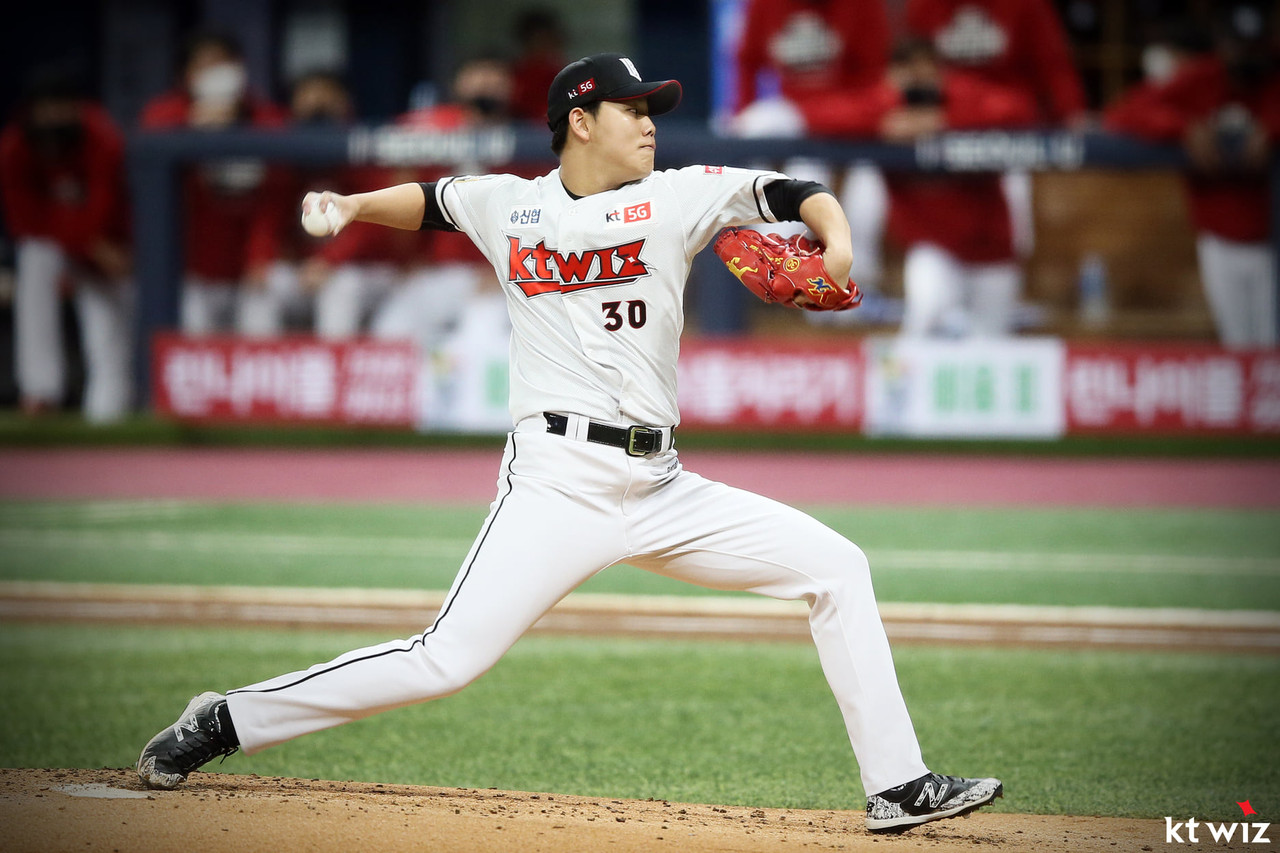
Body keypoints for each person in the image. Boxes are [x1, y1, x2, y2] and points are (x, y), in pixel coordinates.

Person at [136, 52, 1003, 834]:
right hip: (554, 484)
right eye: (633, 108)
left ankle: (898, 785)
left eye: (652, 109)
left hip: (662, 485)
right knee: (443, 660)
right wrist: (354, 204)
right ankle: (227, 718)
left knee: (837, 566)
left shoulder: (679, 193)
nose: (650, 123)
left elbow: (792, 190)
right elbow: (432, 202)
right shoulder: (511, 203)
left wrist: (838, 243)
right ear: (581, 122)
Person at [812, 38, 1038, 337]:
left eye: (926, 74)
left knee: (991, 342)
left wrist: (943, 120)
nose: (918, 84)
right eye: (909, 75)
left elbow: (1020, 110)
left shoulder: (963, 95)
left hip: (991, 249)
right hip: (934, 248)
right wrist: (885, 115)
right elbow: (818, 116)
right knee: (925, 315)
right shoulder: (885, 107)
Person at [1104, 2, 1279, 349]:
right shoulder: (1204, 77)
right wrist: (1183, 127)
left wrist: (1273, 128)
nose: (1247, 55)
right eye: (1238, 45)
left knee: (1272, 349)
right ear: (1222, 42)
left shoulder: (1273, 77)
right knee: (1240, 346)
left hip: (1273, 235)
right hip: (1222, 236)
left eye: (1255, 45)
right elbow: (1123, 112)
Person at [730, 0, 892, 299]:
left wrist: (820, 116)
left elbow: (877, 85)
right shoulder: (765, 6)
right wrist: (745, 109)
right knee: (752, 128)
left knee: (865, 199)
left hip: (852, 128)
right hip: (796, 124)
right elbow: (747, 61)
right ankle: (767, 266)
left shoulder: (862, 7)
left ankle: (856, 291)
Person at [905, 0, 1088, 261]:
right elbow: (908, 70)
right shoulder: (925, 6)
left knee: (1014, 220)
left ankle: (1010, 266)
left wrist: (1070, 109)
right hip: (939, 130)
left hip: (1008, 131)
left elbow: (1053, 65)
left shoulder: (1025, 5)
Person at [0, 63, 133, 422]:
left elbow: (107, 203)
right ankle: (40, 390)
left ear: (77, 107)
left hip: (110, 246)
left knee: (106, 323)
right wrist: (84, 242)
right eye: (46, 109)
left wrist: (91, 245)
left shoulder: (101, 135)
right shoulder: (15, 146)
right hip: (68, 244)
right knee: (34, 259)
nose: (54, 117)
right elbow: (25, 219)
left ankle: (108, 407)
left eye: (62, 107)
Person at [138, 30, 292, 337]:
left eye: (221, 63)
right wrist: (191, 128)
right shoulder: (167, 115)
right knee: (193, 346)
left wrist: (259, 255)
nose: (215, 73)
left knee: (258, 336)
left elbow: (276, 197)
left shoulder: (265, 119)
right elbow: (145, 153)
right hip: (190, 269)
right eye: (204, 66)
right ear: (186, 75)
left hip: (249, 268)